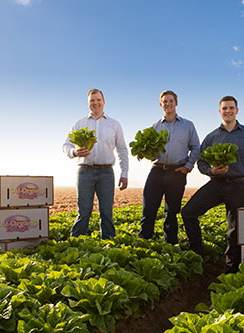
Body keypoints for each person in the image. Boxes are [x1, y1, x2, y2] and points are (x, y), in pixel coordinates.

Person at [181, 95, 244, 273]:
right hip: (217, 184)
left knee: (235, 231)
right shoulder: (212, 136)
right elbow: (201, 162)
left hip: (239, 185)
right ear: (220, 111)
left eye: (231, 108)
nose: (228, 111)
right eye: (224, 108)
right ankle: (199, 255)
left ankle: (231, 270)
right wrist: (211, 171)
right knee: (188, 212)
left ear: (237, 110)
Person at [62, 89, 129, 240]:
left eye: (98, 100)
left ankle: (108, 244)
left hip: (106, 172)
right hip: (84, 171)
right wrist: (74, 152)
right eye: (92, 100)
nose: (95, 103)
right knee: (84, 211)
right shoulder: (79, 123)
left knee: (106, 212)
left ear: (103, 102)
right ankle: (77, 243)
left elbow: (122, 149)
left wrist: (124, 173)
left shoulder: (114, 124)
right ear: (88, 103)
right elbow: (66, 145)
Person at [138, 90, 200, 244]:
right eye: (165, 101)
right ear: (161, 104)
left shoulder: (188, 125)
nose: (168, 104)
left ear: (176, 103)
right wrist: (147, 153)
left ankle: (170, 245)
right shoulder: (155, 127)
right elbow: (151, 153)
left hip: (177, 173)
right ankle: (143, 245)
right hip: (157, 170)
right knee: (148, 211)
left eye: (171, 101)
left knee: (171, 213)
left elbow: (196, 147)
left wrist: (187, 168)